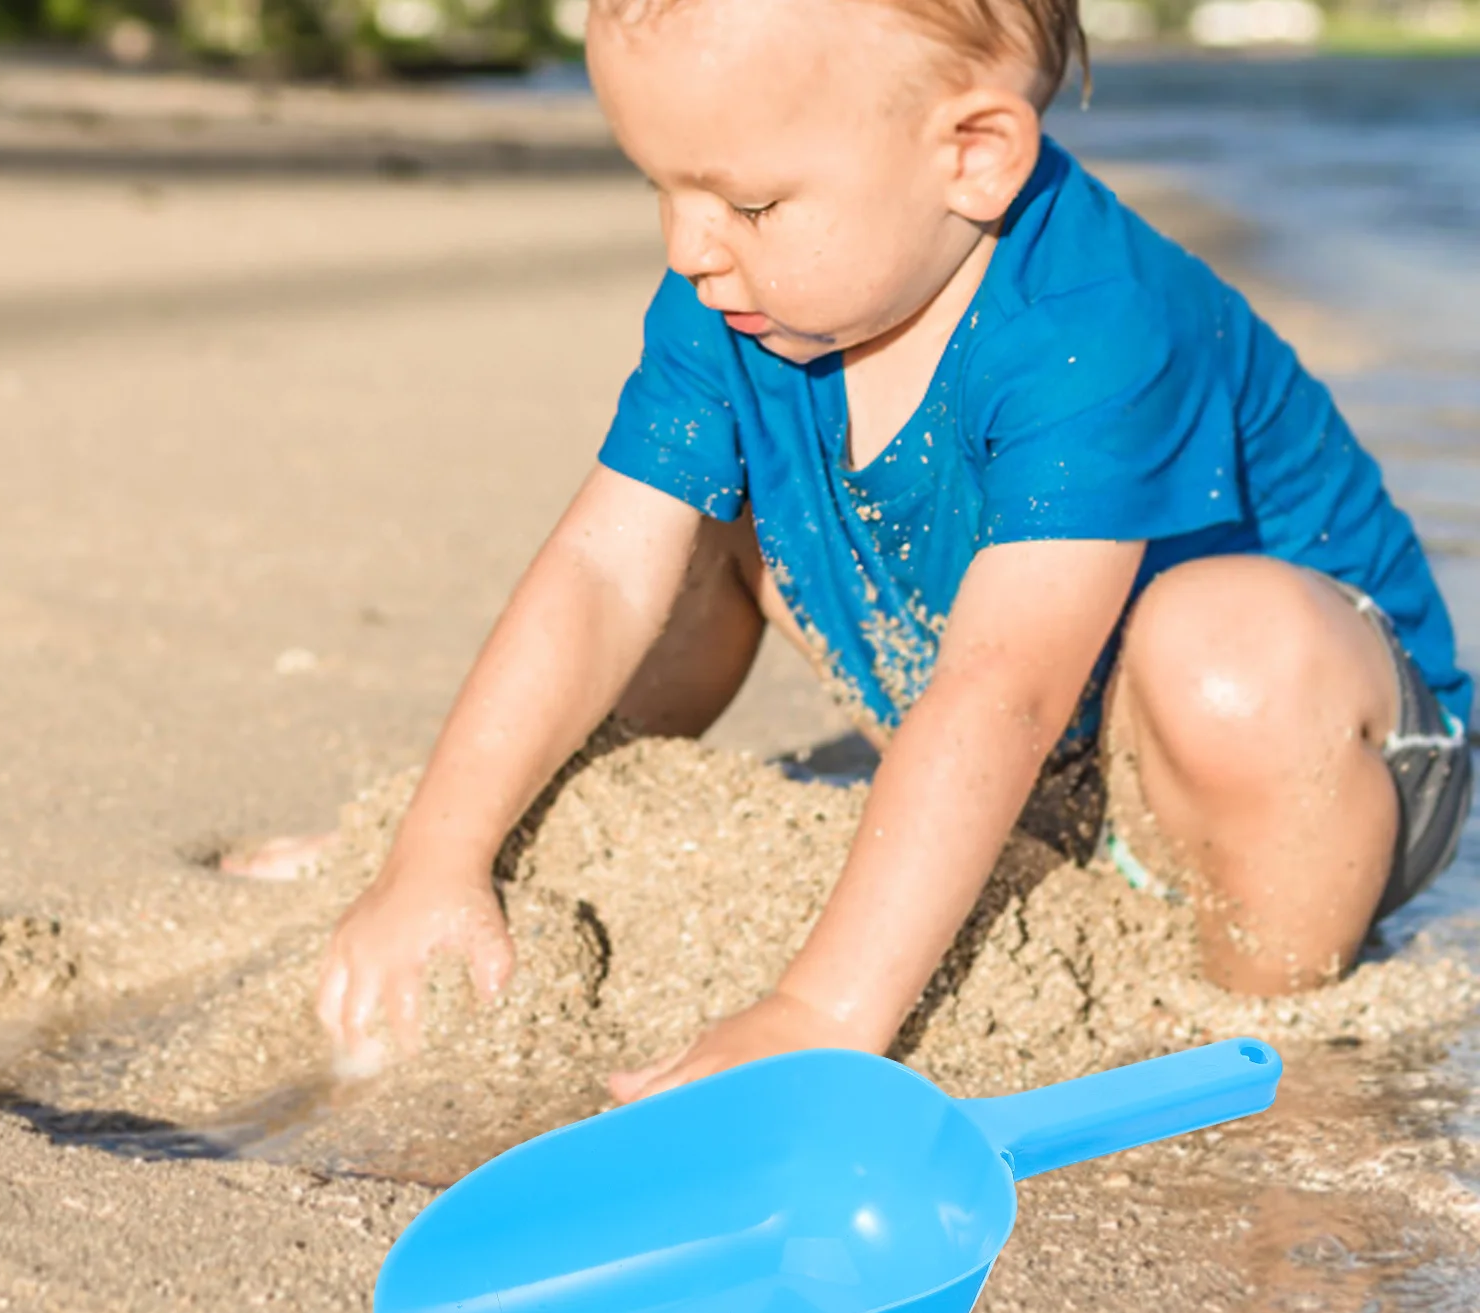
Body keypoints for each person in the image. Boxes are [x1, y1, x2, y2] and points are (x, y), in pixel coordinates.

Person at [244, 0, 1471, 1102]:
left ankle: (1257, 1014)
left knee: (1229, 650)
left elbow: (1004, 689)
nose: (688, 247)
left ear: (974, 156)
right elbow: (598, 572)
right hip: (1034, 737)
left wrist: (821, 1010)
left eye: (750, 202)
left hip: (1306, 766)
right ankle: (537, 810)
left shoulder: (1091, 324)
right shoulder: (737, 294)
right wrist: (433, 854)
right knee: (694, 527)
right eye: (659, 187)